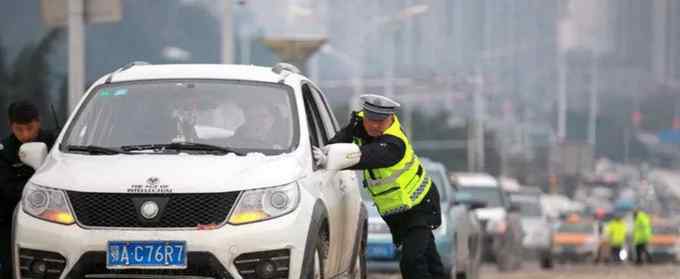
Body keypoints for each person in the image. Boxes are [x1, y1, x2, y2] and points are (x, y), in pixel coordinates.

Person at [313, 94, 445, 279]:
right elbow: (339, 142)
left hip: (420, 205)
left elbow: (368, 156)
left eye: (380, 121)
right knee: (430, 262)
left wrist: (330, 159)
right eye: (370, 120)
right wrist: (326, 152)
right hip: (398, 212)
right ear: (364, 116)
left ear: (390, 119)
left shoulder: (394, 143)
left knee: (411, 262)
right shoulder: (358, 125)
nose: (374, 125)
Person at [0, 100, 56, 278]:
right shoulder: (4, 150)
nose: (25, 135)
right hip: (10, 219)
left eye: (30, 128)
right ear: (11, 127)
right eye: (19, 129)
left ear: (38, 122)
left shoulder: (55, 142)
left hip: (52, 217)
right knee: (11, 267)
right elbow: (7, 189)